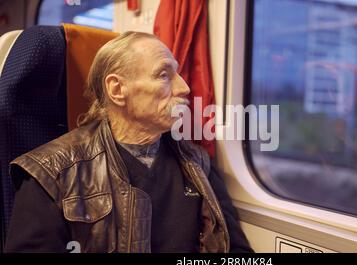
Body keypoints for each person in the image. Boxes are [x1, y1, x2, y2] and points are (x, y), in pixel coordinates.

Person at [4, 31, 253, 253]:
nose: (185, 87)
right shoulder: (50, 173)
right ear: (117, 89)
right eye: (164, 75)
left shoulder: (198, 163)